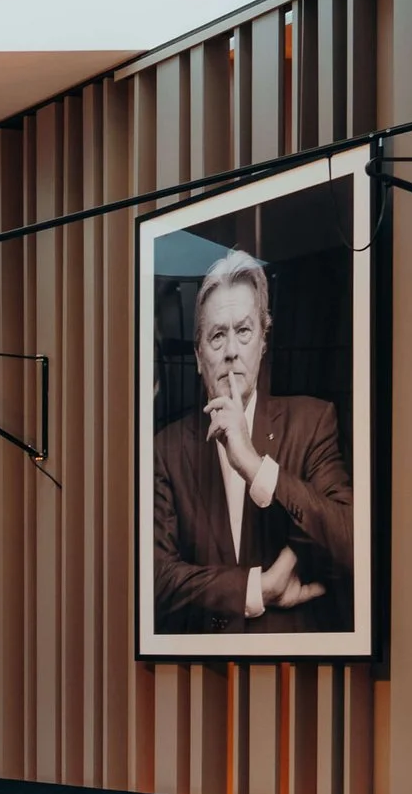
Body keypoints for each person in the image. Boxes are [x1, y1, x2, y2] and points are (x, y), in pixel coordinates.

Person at [150, 249, 352, 635]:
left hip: (296, 671)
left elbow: (350, 544)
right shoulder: (166, 449)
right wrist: (258, 589)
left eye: (243, 332)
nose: (230, 352)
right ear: (197, 356)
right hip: (201, 675)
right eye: (216, 336)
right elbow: (157, 581)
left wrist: (257, 469)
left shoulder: (312, 422)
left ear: (263, 341)